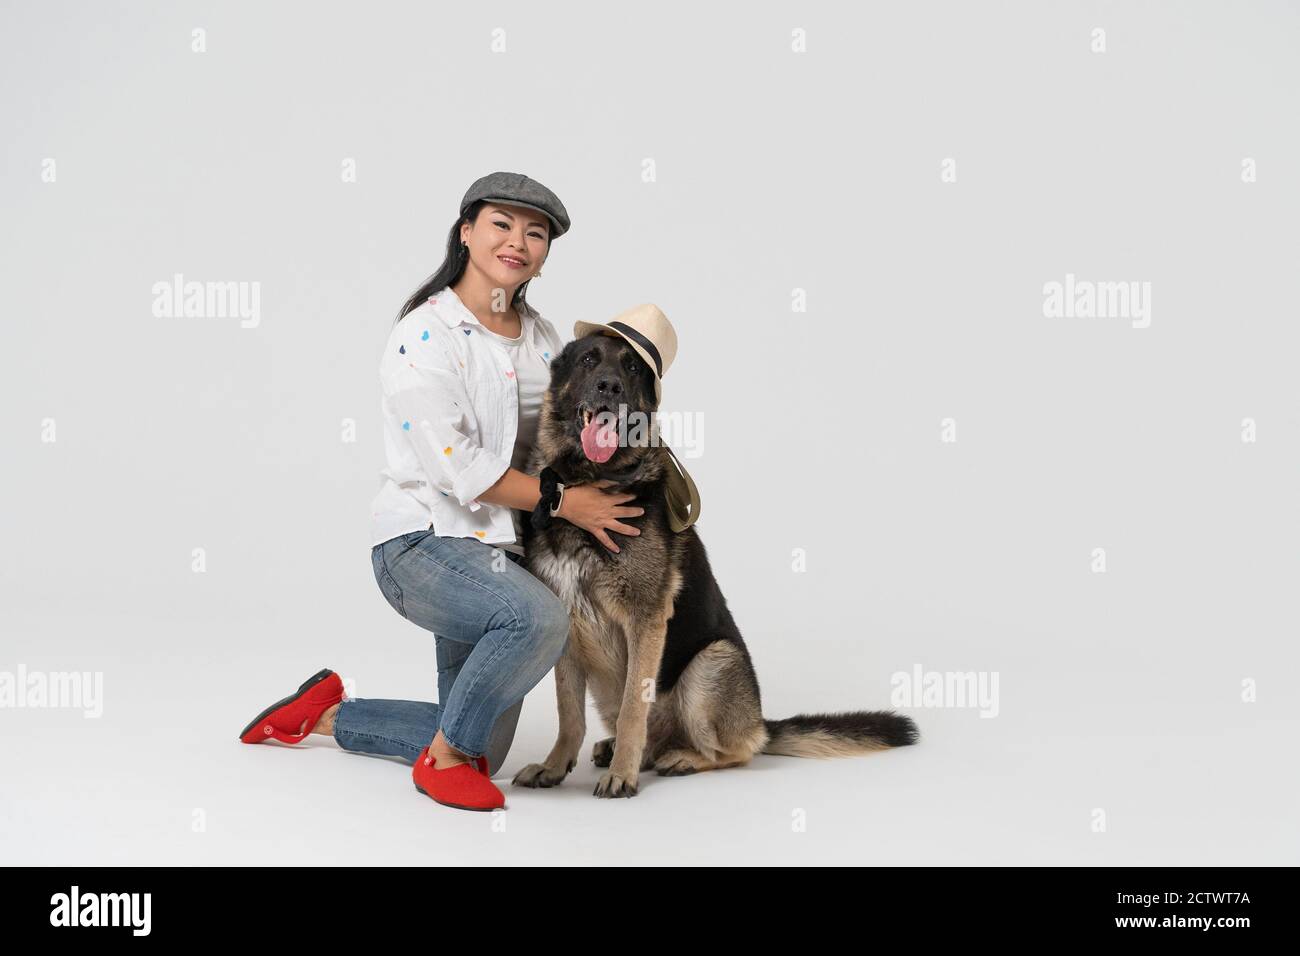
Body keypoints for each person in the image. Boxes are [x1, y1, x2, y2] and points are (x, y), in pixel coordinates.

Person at [237, 172, 646, 811]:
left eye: (534, 233)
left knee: (488, 743)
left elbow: (572, 428)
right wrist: (568, 504)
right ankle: (444, 762)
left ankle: (321, 716)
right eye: (501, 225)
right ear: (466, 234)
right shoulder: (423, 336)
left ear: (544, 253)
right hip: (422, 545)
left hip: (500, 548)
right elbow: (459, 468)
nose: (517, 242)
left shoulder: (542, 341)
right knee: (540, 619)